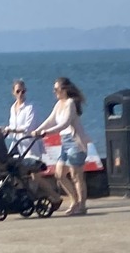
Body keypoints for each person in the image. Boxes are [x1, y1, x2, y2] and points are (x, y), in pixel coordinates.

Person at [35, 75, 92, 214]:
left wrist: (46, 133)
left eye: (57, 89)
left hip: (75, 141)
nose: (55, 92)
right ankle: (74, 201)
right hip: (65, 142)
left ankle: (82, 206)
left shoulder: (70, 103)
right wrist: (37, 130)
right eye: (54, 90)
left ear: (64, 89)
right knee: (59, 174)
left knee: (76, 175)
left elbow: (64, 123)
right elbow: (51, 119)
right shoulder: (59, 104)